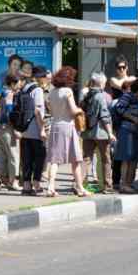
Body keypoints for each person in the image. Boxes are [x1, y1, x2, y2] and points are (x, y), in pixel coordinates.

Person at [45, 66, 91, 197]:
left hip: (55, 125)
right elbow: (73, 110)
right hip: (68, 127)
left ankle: (50, 187)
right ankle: (80, 188)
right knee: (75, 160)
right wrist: (81, 110)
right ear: (69, 78)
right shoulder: (68, 91)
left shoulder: (52, 93)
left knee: (55, 160)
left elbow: (51, 111)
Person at [80, 73, 116, 194]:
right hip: (100, 133)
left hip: (87, 132)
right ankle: (107, 186)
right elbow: (104, 116)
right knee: (106, 159)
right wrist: (110, 133)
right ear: (101, 83)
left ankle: (79, 184)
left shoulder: (86, 94)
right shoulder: (100, 96)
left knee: (86, 158)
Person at [0, 74, 23, 191]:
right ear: (12, 84)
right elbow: (8, 112)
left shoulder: (2, 93)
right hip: (7, 128)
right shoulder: (9, 94)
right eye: (19, 83)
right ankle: (14, 182)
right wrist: (15, 129)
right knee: (14, 156)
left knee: (2, 156)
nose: (20, 85)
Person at [114, 79, 138, 194]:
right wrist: (133, 118)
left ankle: (129, 183)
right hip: (127, 130)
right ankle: (124, 185)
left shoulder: (137, 100)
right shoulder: (128, 96)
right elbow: (119, 108)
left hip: (134, 131)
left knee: (133, 158)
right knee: (126, 158)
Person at [20, 66, 49, 195]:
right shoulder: (37, 90)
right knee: (39, 157)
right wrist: (42, 129)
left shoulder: (25, 88)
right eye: (44, 77)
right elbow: (38, 111)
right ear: (39, 77)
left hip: (25, 129)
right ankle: (36, 184)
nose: (45, 79)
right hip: (35, 129)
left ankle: (26, 186)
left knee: (27, 158)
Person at [109, 55, 136, 188]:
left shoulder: (131, 78)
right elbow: (121, 86)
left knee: (130, 151)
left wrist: (129, 83)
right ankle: (115, 181)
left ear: (127, 67)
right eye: (119, 68)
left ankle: (128, 181)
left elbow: (132, 84)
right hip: (118, 116)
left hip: (129, 117)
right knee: (117, 150)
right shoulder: (113, 79)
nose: (122, 70)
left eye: (124, 67)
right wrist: (128, 83)